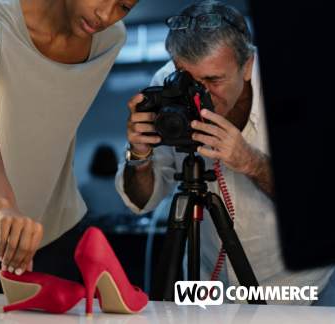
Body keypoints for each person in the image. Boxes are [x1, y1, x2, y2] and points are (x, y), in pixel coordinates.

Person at [115, 0, 334, 305]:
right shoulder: (165, 84)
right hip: (208, 289)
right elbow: (142, 201)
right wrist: (139, 155)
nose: (199, 95)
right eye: (187, 78)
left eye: (214, 80)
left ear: (248, 66)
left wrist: (252, 162)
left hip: (301, 287)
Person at [0, 0, 137, 293]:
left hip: (57, 231)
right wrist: (3, 206)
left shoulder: (111, 39)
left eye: (124, 7)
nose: (106, 15)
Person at [79, 144, 128, 218]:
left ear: (95, 162)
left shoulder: (85, 188)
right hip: (120, 227)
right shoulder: (125, 187)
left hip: (95, 227)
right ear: (114, 161)